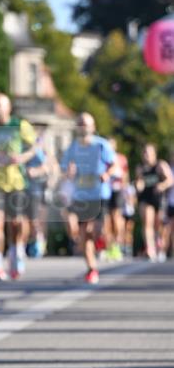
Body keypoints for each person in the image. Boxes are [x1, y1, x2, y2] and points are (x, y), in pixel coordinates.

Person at [0, 94, 37, 281]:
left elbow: (35, 146)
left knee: (17, 223)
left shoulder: (20, 125)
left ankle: (16, 251)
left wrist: (22, 158)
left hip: (16, 181)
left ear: (8, 107)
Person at [59, 112, 114, 284]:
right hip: (81, 195)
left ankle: (104, 243)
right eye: (80, 123)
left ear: (93, 127)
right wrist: (68, 172)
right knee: (84, 234)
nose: (82, 127)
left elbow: (113, 164)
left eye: (86, 124)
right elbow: (64, 166)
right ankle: (92, 269)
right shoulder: (74, 147)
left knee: (96, 231)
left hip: (99, 194)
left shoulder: (101, 145)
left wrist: (106, 174)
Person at [134, 143, 173, 260]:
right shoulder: (140, 168)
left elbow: (170, 179)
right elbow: (139, 182)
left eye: (149, 152)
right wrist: (138, 185)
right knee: (147, 223)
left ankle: (160, 245)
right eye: (144, 152)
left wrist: (162, 185)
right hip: (146, 198)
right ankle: (150, 250)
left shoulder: (160, 165)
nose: (146, 155)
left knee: (160, 225)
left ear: (154, 154)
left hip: (159, 198)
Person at [105, 138, 129, 260]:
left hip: (117, 191)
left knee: (116, 218)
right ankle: (110, 247)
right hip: (106, 191)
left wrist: (126, 193)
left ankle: (118, 245)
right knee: (107, 221)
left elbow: (125, 176)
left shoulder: (120, 158)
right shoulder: (103, 159)